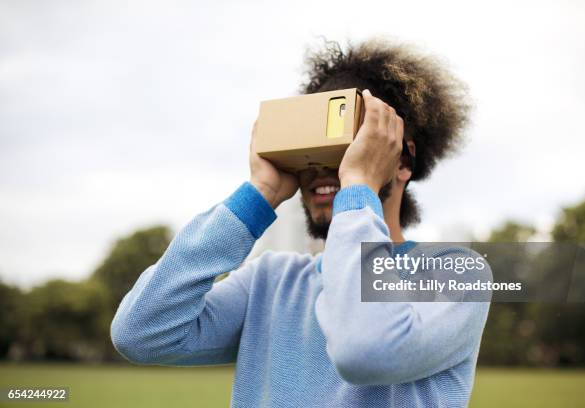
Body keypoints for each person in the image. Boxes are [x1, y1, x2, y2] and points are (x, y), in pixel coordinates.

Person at [111, 39, 490, 407]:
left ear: (402, 161)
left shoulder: (456, 274)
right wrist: (260, 193)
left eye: (345, 149)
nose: (319, 168)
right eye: (308, 152)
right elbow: (141, 333)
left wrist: (357, 187)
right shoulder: (270, 281)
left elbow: (365, 349)